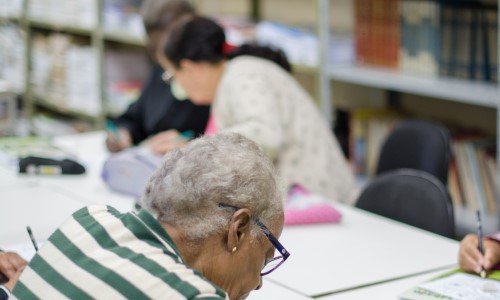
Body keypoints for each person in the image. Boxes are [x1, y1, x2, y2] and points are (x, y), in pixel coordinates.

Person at [14, 133, 288, 300]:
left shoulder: (88, 222)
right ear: (237, 229)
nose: (259, 283)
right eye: (265, 258)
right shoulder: (191, 296)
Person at [157, 16, 358, 203]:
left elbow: (266, 135)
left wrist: (197, 149)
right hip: (303, 199)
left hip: (318, 200)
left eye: (172, 75)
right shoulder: (230, 79)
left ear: (190, 67)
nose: (176, 84)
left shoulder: (242, 75)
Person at [106, 0, 210, 153]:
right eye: (155, 44)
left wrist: (191, 146)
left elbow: (226, 140)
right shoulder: (160, 69)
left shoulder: (208, 75)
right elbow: (137, 116)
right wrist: (123, 132)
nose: (163, 52)